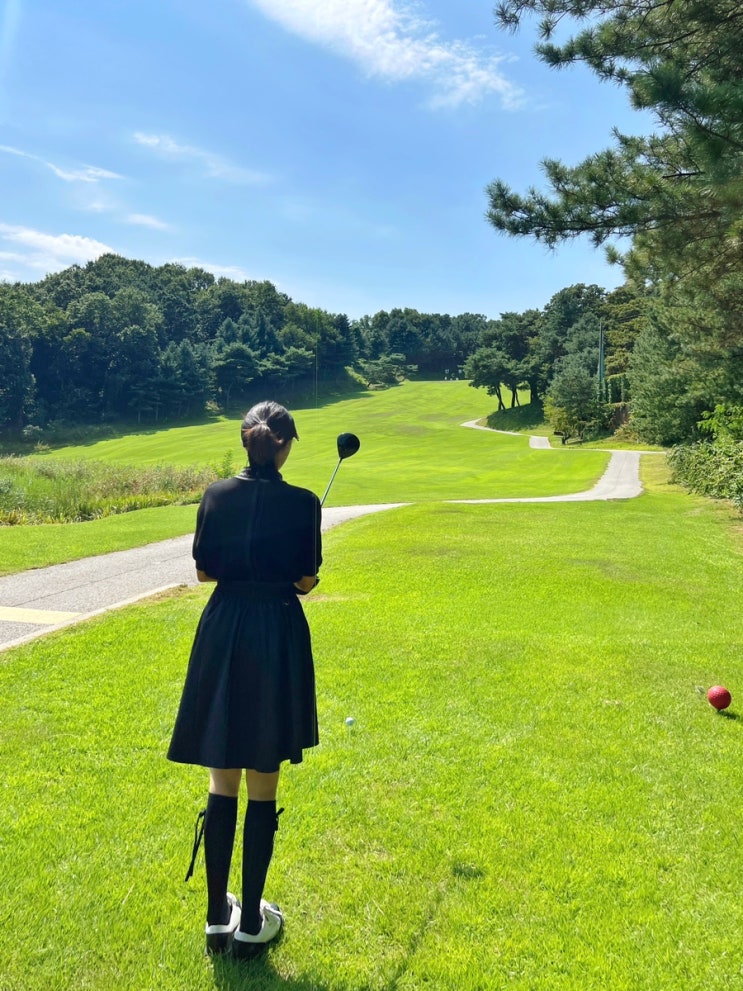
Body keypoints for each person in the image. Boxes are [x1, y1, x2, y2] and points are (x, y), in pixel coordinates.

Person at [167, 400, 322, 959]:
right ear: (285, 445)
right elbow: (305, 582)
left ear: (246, 441)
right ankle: (251, 920)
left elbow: (204, 571)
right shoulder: (304, 503)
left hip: (224, 629)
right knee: (263, 779)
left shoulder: (214, 495)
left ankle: (217, 918)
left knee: (222, 778)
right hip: (275, 631)